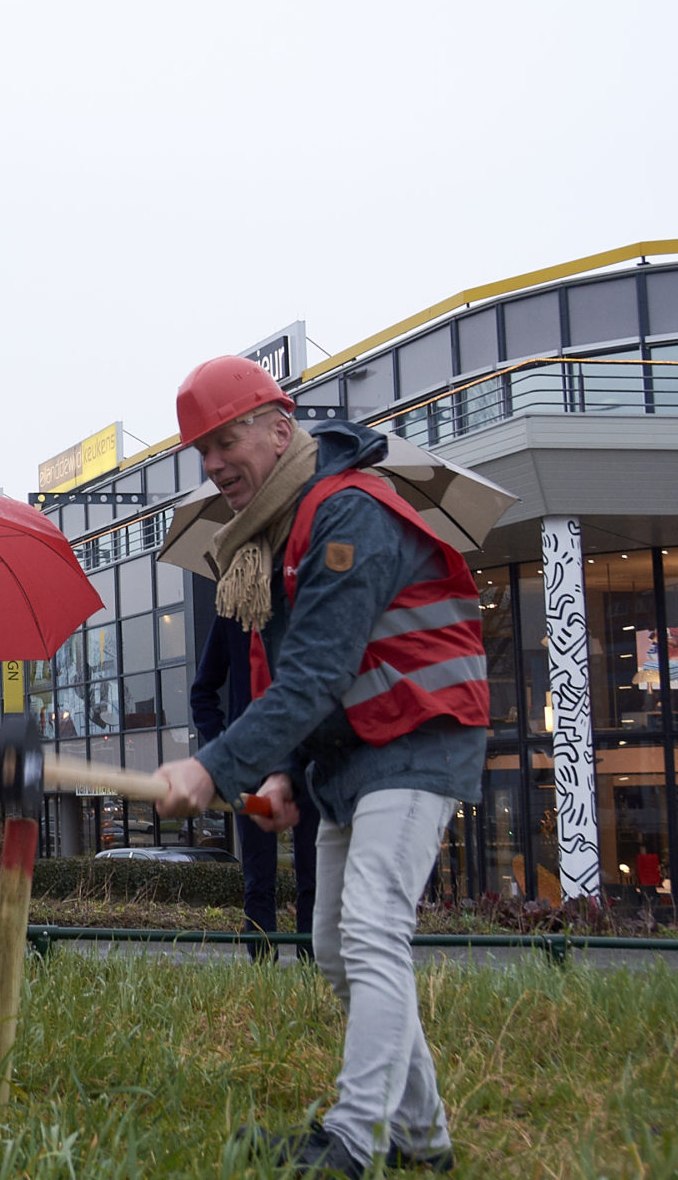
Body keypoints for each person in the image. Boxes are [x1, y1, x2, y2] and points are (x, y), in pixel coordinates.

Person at [153, 355, 484, 1178]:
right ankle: (423, 1140)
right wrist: (275, 776)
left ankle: (354, 1141)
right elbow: (291, 676)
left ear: (278, 426)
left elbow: (316, 674)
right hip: (352, 758)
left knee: (371, 934)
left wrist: (216, 768)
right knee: (336, 948)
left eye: (225, 439)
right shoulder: (276, 538)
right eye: (201, 450)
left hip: (417, 738)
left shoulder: (347, 516)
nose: (214, 463)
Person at [192, 612, 316, 962]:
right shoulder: (233, 611)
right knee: (259, 879)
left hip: (309, 759)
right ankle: (263, 970)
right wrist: (229, 749)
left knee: (315, 874)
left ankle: (312, 971)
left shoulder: (305, 597)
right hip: (252, 766)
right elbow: (202, 692)